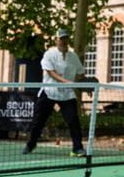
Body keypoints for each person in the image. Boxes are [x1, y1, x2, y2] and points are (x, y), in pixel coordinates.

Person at [23, 28, 87, 157]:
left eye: (66, 38)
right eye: (61, 38)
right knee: (38, 121)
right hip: (49, 91)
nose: (64, 41)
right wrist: (66, 81)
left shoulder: (73, 57)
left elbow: (80, 74)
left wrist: (87, 86)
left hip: (67, 94)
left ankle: (77, 148)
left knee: (73, 120)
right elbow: (51, 73)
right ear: (56, 40)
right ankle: (31, 144)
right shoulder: (49, 54)